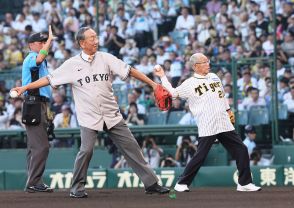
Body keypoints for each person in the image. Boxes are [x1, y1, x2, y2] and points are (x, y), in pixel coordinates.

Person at [11, 26, 169, 198]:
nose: (96, 41)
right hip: (89, 116)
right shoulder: (71, 64)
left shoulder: (106, 57)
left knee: (132, 147)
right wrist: (26, 87)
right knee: (86, 151)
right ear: (81, 43)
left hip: (111, 114)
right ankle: (76, 188)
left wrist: (153, 85)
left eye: (96, 37)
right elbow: (48, 79)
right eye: (92, 38)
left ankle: (152, 184)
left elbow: (130, 71)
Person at [154, 52, 261, 192]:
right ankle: (181, 183)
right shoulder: (189, 83)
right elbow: (173, 93)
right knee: (201, 155)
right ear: (195, 66)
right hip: (207, 123)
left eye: (207, 61)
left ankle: (244, 183)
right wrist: (162, 76)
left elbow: (222, 95)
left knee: (241, 149)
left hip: (223, 121)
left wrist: (228, 111)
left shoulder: (214, 77)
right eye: (204, 62)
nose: (208, 64)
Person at [21, 26, 54, 193]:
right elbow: (39, 60)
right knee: (42, 147)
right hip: (34, 103)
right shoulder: (32, 57)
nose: (43, 45)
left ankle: (35, 181)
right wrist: (49, 42)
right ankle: (33, 182)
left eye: (44, 42)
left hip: (39, 104)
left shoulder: (38, 56)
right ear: (31, 45)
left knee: (34, 147)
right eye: (40, 42)